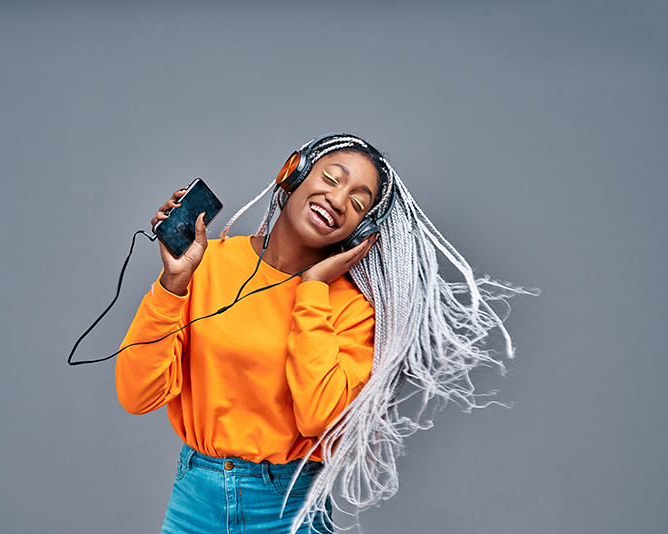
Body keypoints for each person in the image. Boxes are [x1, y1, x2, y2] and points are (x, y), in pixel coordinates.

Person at [116, 134, 530, 533]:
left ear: (361, 231)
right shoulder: (207, 265)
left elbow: (319, 418)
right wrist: (173, 284)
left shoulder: (352, 308)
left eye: (356, 201)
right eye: (331, 179)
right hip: (194, 500)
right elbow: (137, 396)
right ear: (292, 173)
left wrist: (312, 288)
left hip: (286, 508)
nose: (336, 199)